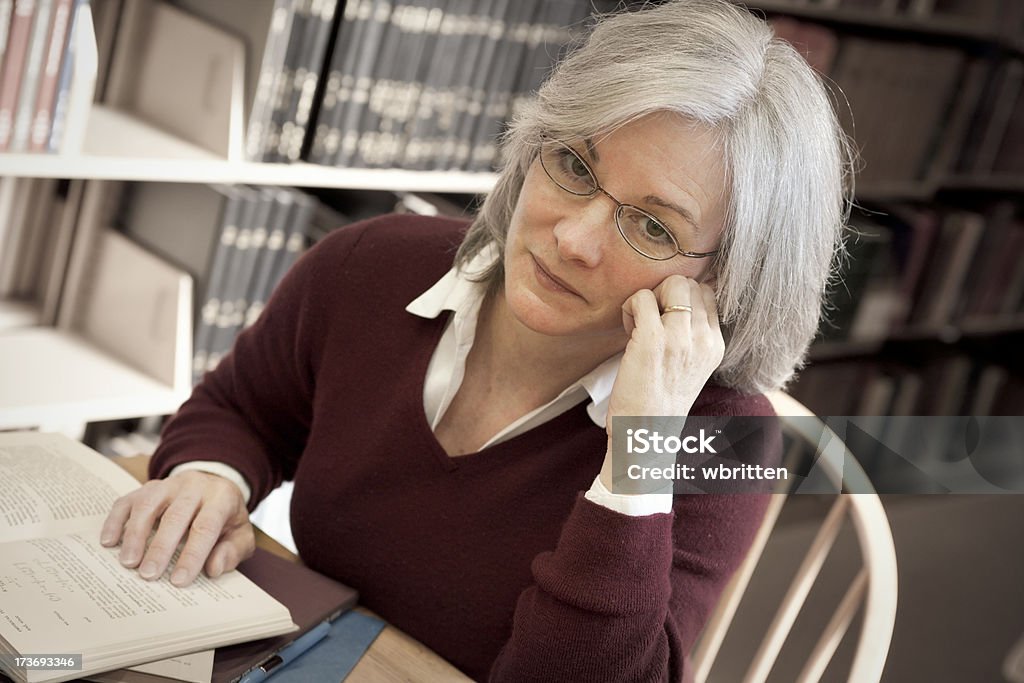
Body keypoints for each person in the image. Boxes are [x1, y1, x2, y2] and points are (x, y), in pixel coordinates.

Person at [101, 0, 852, 679]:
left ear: (727, 282)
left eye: (653, 226)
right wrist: (212, 476)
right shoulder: (372, 263)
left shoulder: (721, 440)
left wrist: (637, 455)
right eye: (575, 164)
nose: (574, 238)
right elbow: (246, 407)